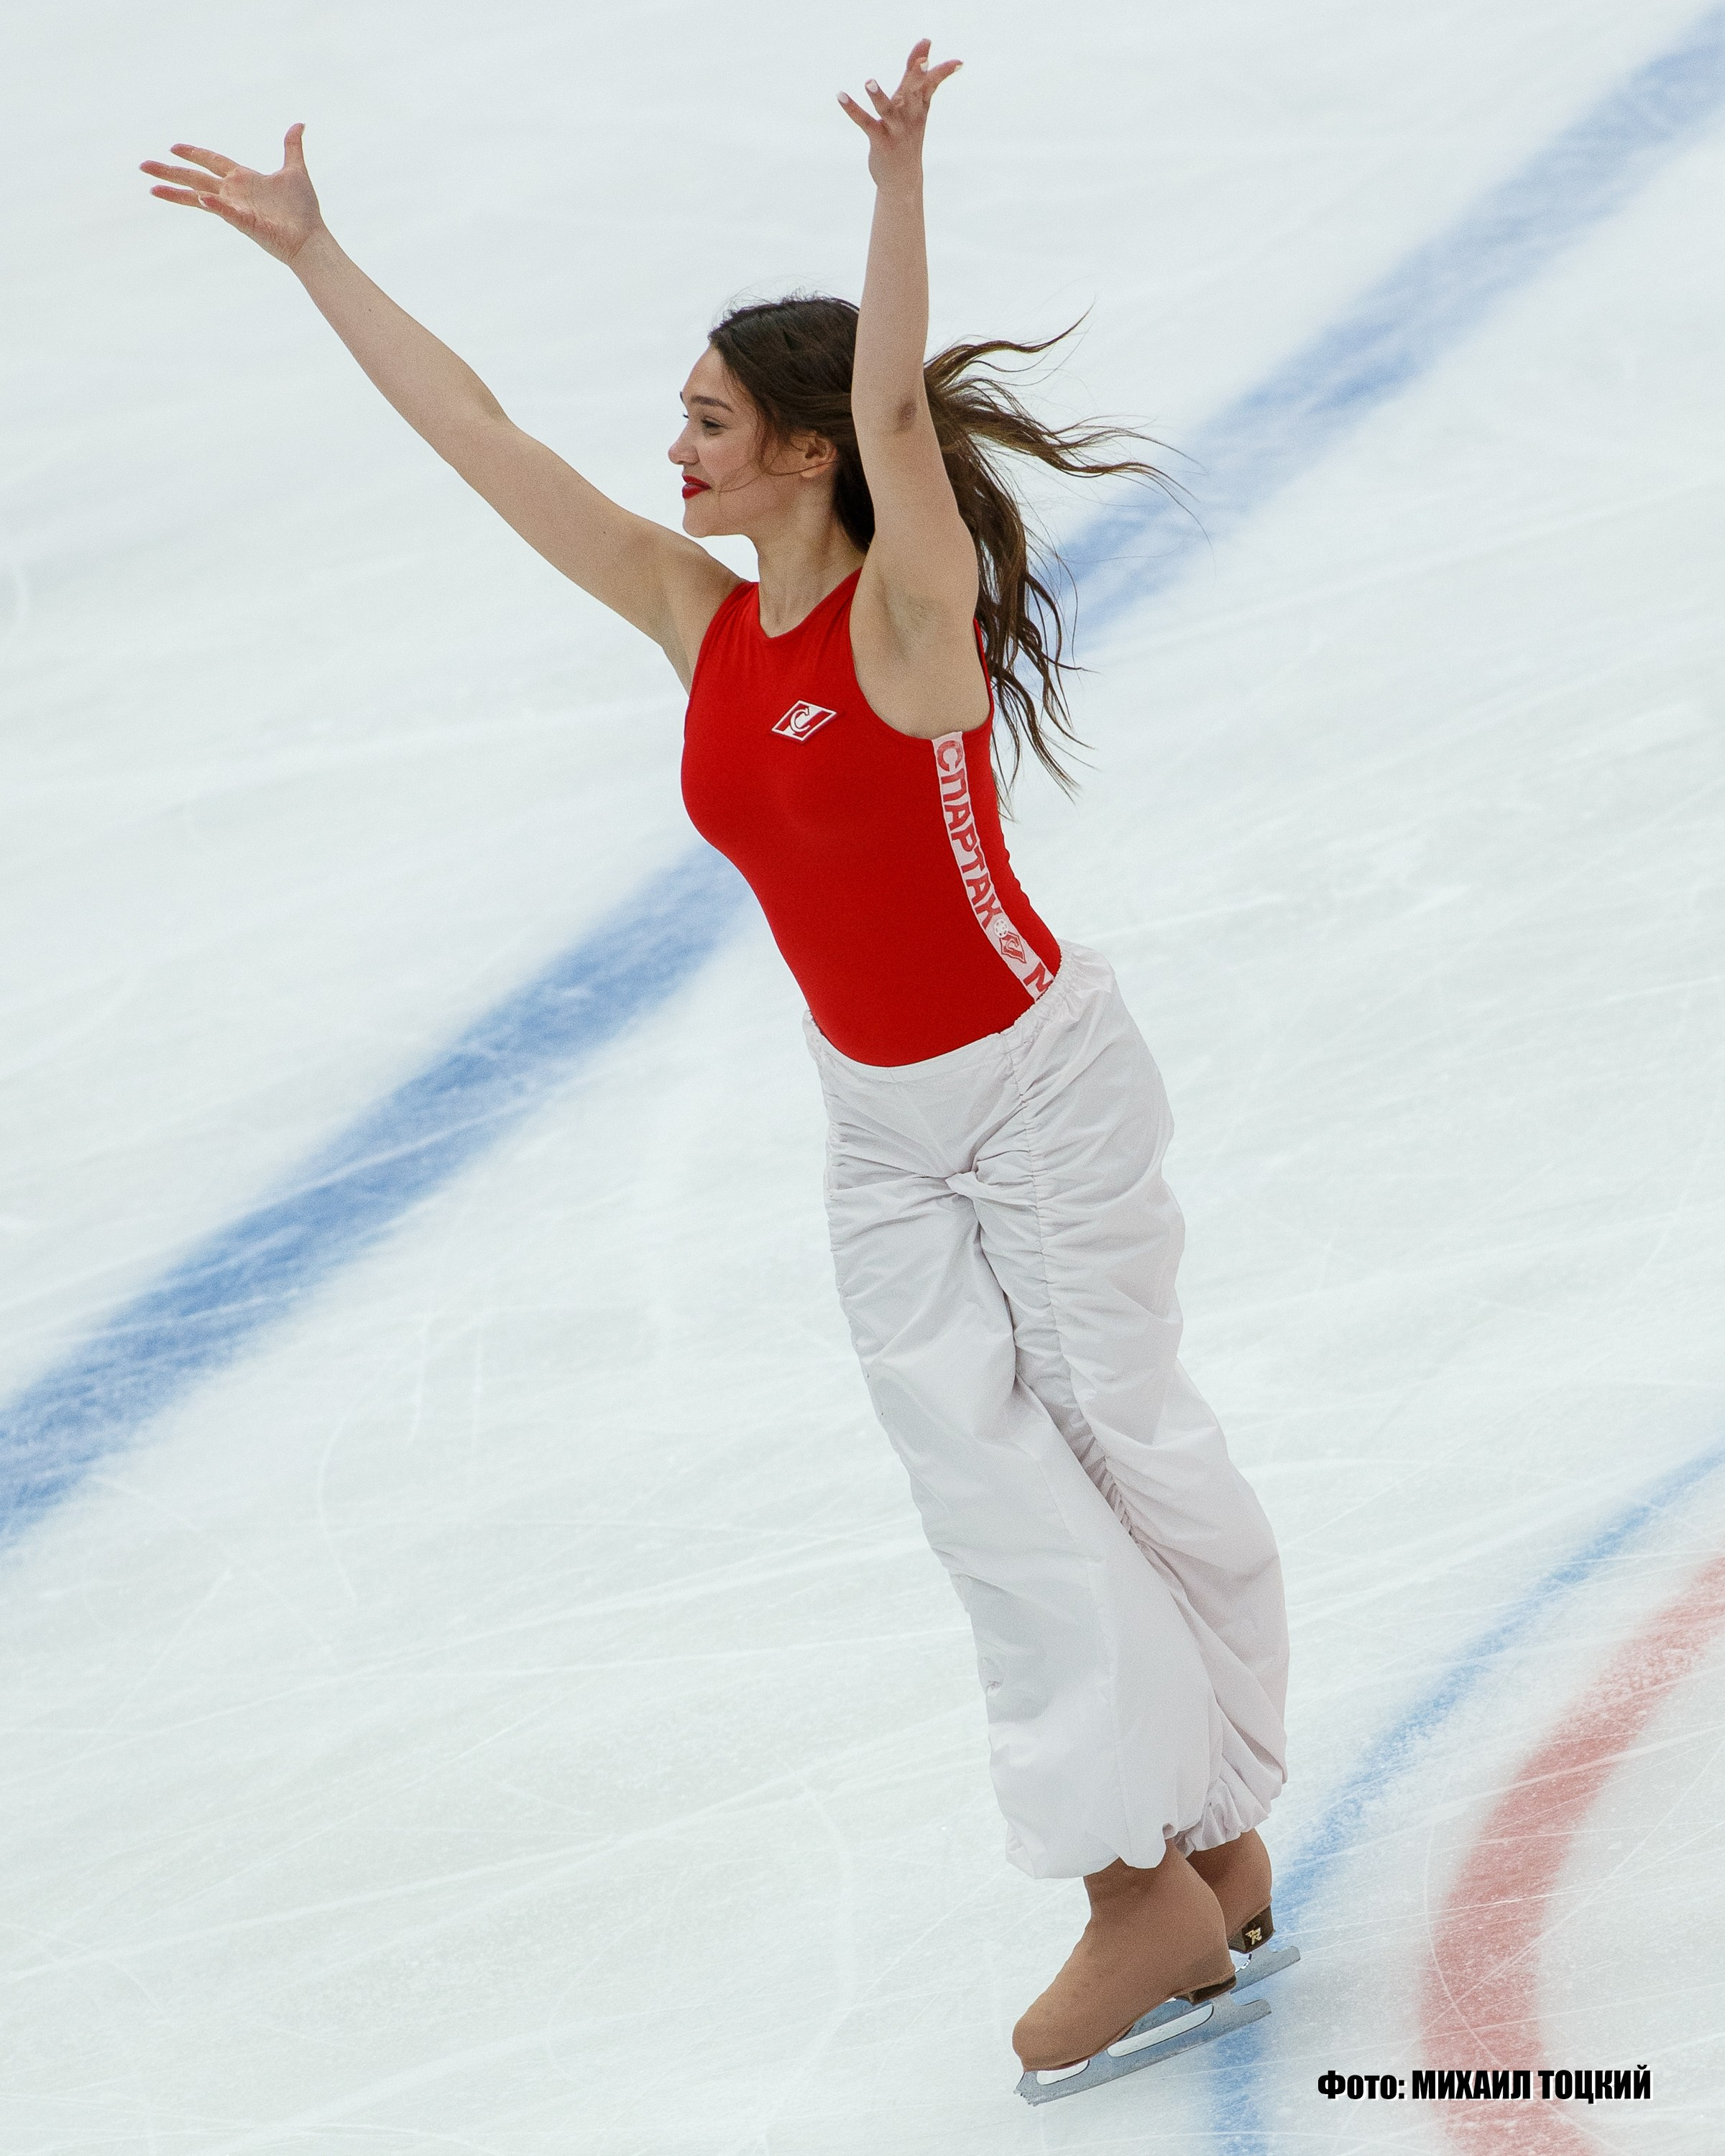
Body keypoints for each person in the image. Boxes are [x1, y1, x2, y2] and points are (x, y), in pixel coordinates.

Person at [142, 40, 1289, 2083]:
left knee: (1119, 1444)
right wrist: (318, 257)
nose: (672, 448)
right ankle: (1156, 1869)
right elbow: (480, 434)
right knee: (989, 1490)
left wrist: (899, 196)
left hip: (1040, 1090)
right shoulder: (699, 620)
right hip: (883, 1128)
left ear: (806, 452)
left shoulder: (908, 624)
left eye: (707, 422)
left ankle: (1196, 1837)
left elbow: (898, 425)